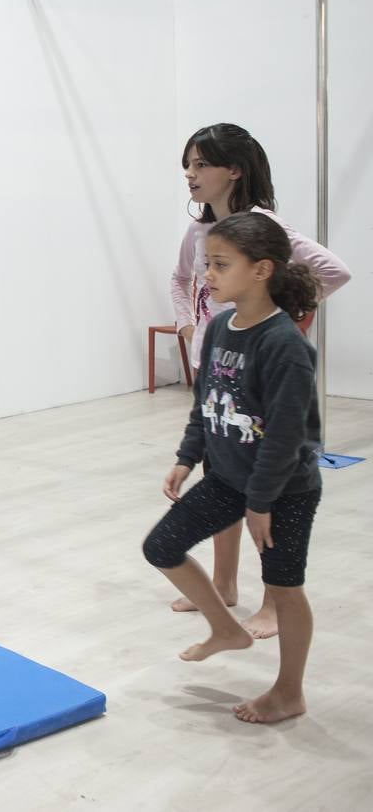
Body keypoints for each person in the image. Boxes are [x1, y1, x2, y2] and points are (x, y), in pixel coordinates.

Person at [168, 124, 350, 637]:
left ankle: (275, 601)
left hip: (255, 375)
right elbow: (179, 279)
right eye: (188, 165)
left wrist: (288, 320)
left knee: (270, 485)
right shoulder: (200, 230)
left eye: (201, 164)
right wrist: (187, 325)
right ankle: (224, 584)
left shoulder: (263, 227)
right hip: (215, 365)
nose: (190, 174)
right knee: (220, 476)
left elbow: (332, 271)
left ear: (234, 170)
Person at [143, 212, 323, 725]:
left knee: (284, 585)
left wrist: (260, 503)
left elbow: (287, 436)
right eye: (207, 264)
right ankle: (226, 629)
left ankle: (289, 691)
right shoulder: (220, 326)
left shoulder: (285, 345)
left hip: (283, 490)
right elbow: (206, 403)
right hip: (225, 477)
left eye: (221, 265)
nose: (208, 276)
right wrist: (185, 457)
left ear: (262, 270)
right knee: (161, 546)